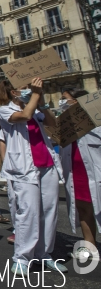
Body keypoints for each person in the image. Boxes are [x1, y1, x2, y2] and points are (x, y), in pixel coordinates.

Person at [0, 78, 66, 275]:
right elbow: (25, 116)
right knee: (29, 212)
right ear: (13, 93)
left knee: (50, 211)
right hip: (24, 168)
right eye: (24, 88)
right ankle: (22, 257)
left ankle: (43, 254)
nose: (29, 90)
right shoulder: (5, 110)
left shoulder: (36, 108)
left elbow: (52, 123)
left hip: (47, 165)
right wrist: (35, 94)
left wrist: (42, 103)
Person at [58, 89, 101, 261]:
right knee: (83, 208)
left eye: (65, 100)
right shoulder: (65, 125)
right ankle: (90, 246)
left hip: (96, 173)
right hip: (77, 173)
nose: (62, 104)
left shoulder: (96, 120)